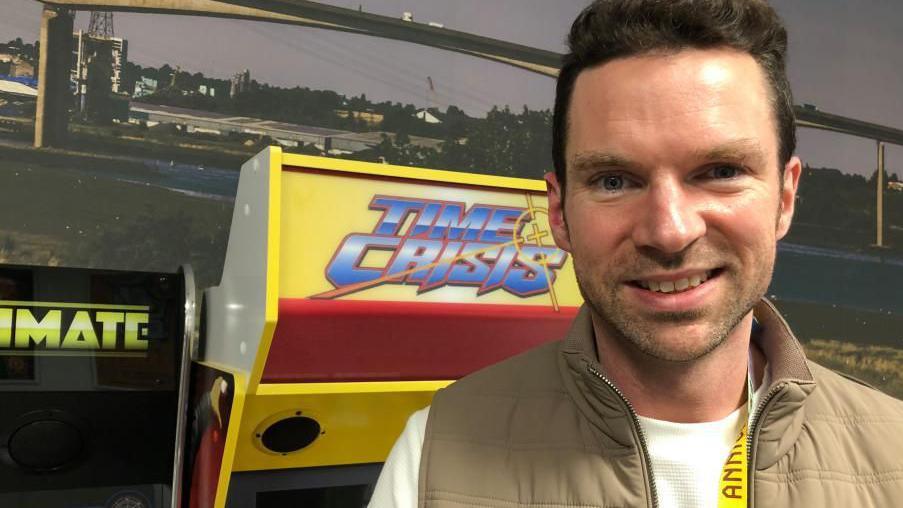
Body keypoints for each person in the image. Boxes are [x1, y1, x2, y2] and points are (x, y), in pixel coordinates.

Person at [369, 1, 903, 507]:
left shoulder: (895, 456)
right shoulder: (432, 461)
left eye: (720, 172)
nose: (668, 232)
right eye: (614, 180)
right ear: (558, 213)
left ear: (785, 198)